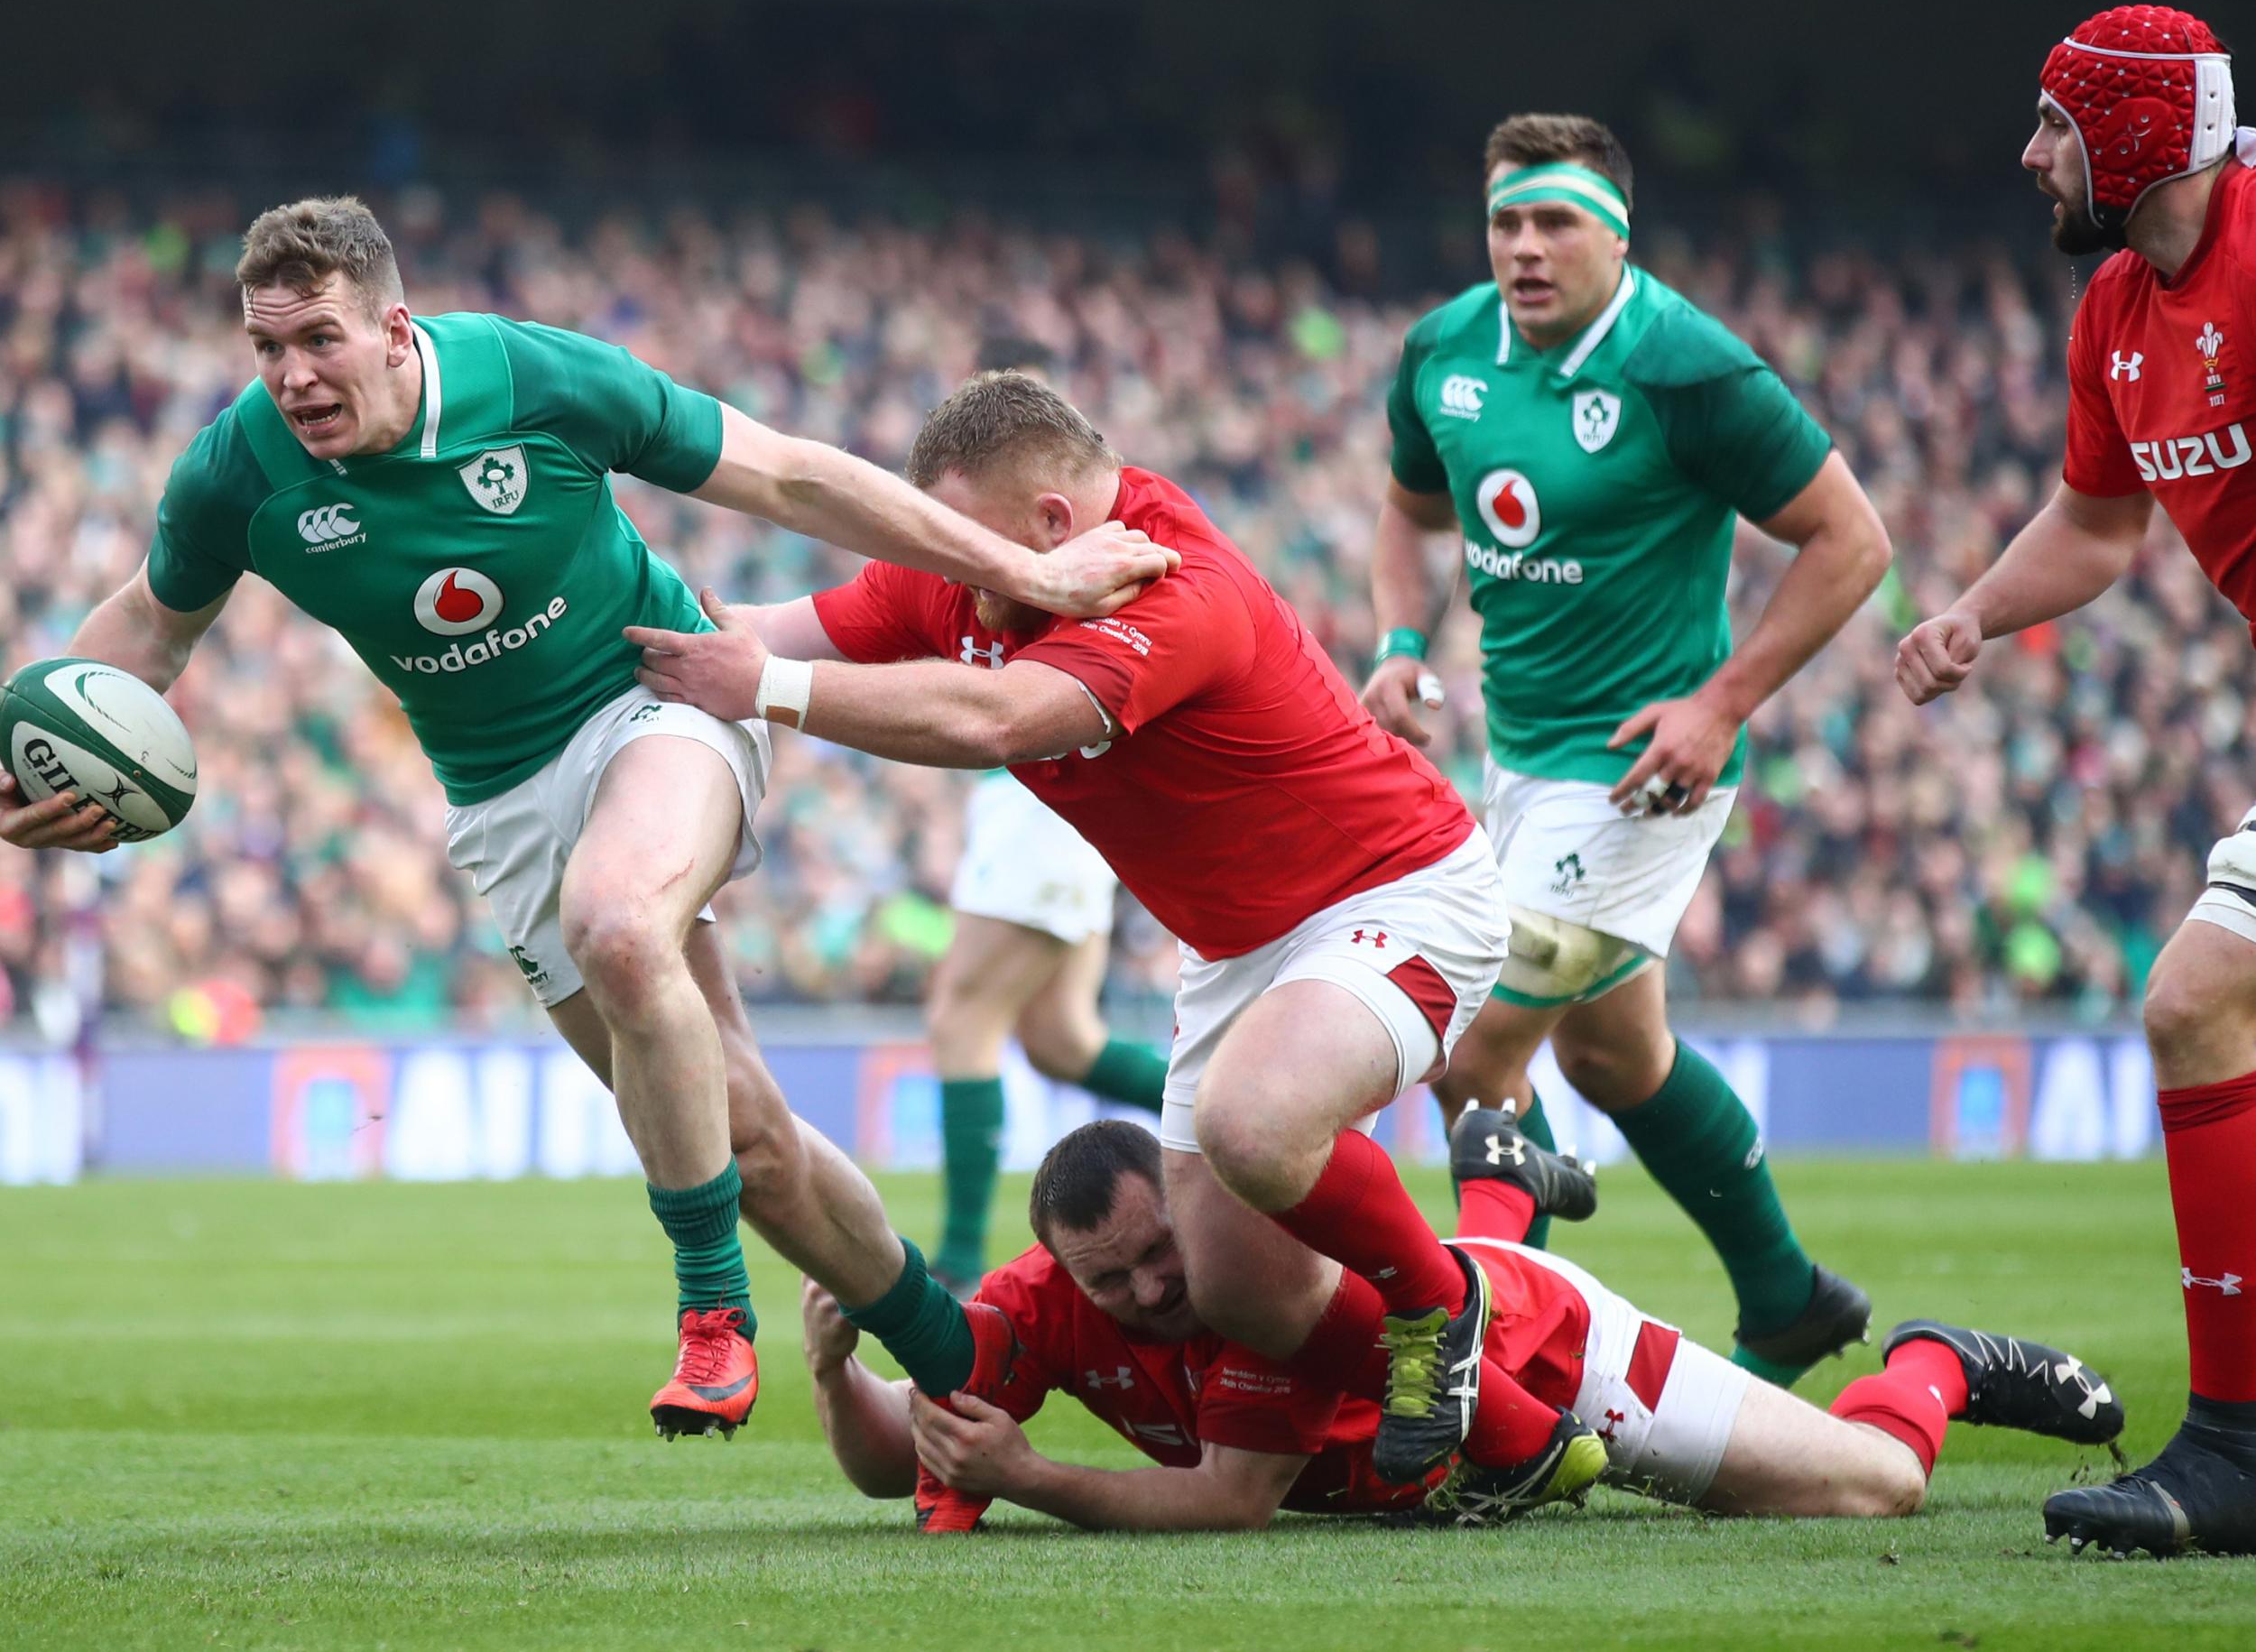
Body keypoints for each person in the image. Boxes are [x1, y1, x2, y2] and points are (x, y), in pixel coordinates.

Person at [0, 197, 1173, 1442]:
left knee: (618, 921)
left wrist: (1027, 575)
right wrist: (33, 761)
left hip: (659, 696)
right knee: (744, 1134)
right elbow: (148, 625)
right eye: (267, 347)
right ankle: (964, 1362)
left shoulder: (535, 378)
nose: (292, 375)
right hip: (499, 799)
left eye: (321, 340)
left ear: (396, 328)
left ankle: (713, 1312)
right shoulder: (238, 468)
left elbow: (785, 470)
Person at [630, 370, 1595, 1513]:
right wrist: (573, 602)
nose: (957, 584)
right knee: (1239, 1287)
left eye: (970, 551)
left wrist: (773, 690)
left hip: (1398, 886)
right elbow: (735, 631)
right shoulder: (957, 571)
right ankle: (1524, 1432)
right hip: (1236, 946)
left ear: (1051, 528)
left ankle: (1444, 1306)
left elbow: (992, 718)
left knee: (1254, 1123)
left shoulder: (1172, 582)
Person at [1359, 113, 1893, 1383]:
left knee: (1474, 1051)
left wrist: (1722, 703)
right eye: (1506, 222)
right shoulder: (1443, 350)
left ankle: (1493, 1368)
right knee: (1612, 1053)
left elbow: (1852, 538)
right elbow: (1408, 510)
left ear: (1617, 235)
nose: (1526, 249)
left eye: (1555, 223)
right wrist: (1393, 639)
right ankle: (1786, 1296)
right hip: (1521, 759)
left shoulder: (1686, 365)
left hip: (1644, 770)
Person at [1898, 5, 2256, 1559]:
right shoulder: (2116, 304)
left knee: (2195, 1000)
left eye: (2055, 128)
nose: (2030, 155)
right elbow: (2101, 525)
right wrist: (1978, 606)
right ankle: (2238, 1449)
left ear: (2129, 141)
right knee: (2198, 1001)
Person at [805, 1112, 2122, 1532]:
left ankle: (1937, 1358)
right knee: (1435, 1266)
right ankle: (1505, 1180)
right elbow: (905, 1461)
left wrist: (1032, 1474)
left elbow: (1232, 1501)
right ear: (1054, 1274)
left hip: (1546, 1358)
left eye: (1164, 1252)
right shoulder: (1033, 1306)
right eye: (1113, 1280)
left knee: (1872, 1492)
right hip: (1429, 1361)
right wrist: (832, 1373)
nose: (1156, 1290)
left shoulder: (1246, 1275)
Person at [923, 336, 1170, 1295]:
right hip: (1039, 800)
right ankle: (1249, 1116)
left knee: (959, 1018)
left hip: (1041, 798)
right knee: (1060, 1038)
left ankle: (950, 1261)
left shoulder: (1041, 538)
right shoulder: (1039, 522)